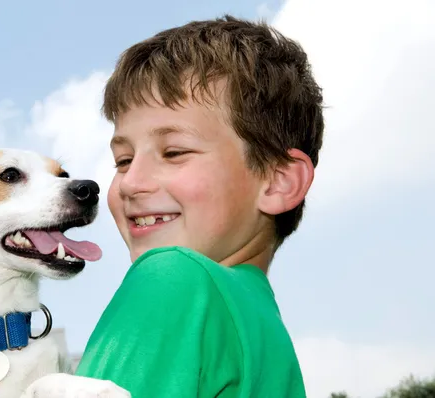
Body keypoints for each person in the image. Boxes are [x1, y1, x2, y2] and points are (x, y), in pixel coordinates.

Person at [75, 15, 324, 397]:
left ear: (278, 181)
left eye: (174, 152)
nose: (131, 182)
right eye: (123, 160)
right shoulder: (262, 333)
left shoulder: (174, 279)